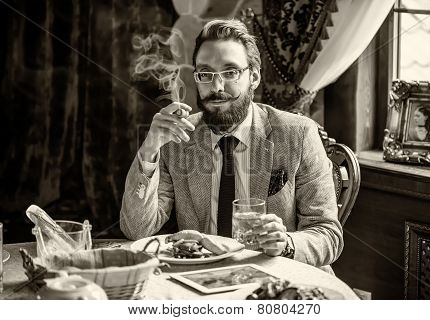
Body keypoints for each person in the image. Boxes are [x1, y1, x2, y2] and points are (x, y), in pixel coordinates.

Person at [120, 19, 343, 268]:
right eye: (205, 74)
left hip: (279, 280)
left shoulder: (298, 134)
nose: (217, 87)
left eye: (230, 72)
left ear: (254, 77)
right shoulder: (178, 140)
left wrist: (286, 243)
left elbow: (327, 235)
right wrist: (150, 149)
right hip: (203, 280)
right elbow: (137, 230)